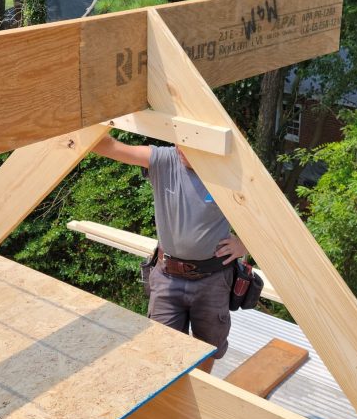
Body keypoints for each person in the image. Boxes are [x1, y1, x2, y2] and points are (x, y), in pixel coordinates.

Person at [92, 133, 248, 373]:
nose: (179, 149)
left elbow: (269, 216)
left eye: (189, 145)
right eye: (178, 142)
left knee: (207, 348)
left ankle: (197, 397)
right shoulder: (165, 160)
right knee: (161, 347)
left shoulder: (227, 172)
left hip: (213, 280)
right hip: (168, 277)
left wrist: (245, 244)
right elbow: (111, 146)